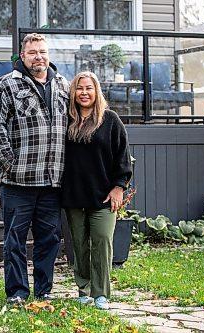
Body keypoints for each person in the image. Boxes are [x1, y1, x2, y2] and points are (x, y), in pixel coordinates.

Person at [0, 33, 70, 305]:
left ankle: (44, 290)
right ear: (22, 56)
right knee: (14, 241)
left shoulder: (63, 85)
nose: (38, 57)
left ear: (48, 54)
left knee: (49, 240)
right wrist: (9, 163)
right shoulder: (5, 85)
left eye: (42, 51)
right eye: (32, 52)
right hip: (17, 183)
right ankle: (18, 292)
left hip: (52, 181)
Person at [62, 71, 132, 310]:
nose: (84, 93)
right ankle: (83, 288)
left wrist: (119, 187)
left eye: (88, 88)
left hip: (103, 195)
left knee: (102, 240)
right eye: (79, 88)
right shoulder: (66, 120)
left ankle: (101, 292)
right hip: (73, 195)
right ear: (73, 92)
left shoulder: (110, 120)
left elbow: (123, 157)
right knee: (79, 244)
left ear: (96, 91)